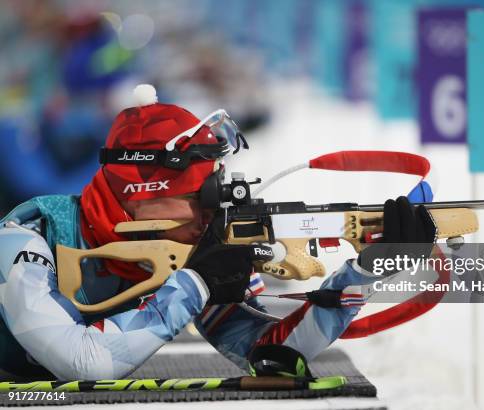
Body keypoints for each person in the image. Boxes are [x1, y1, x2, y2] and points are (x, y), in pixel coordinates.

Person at [0, 85, 435, 380]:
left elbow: (273, 354)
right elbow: (84, 362)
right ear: (142, 193)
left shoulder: (184, 249)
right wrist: (196, 284)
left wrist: (365, 272)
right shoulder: (28, 238)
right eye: (200, 195)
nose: (213, 211)